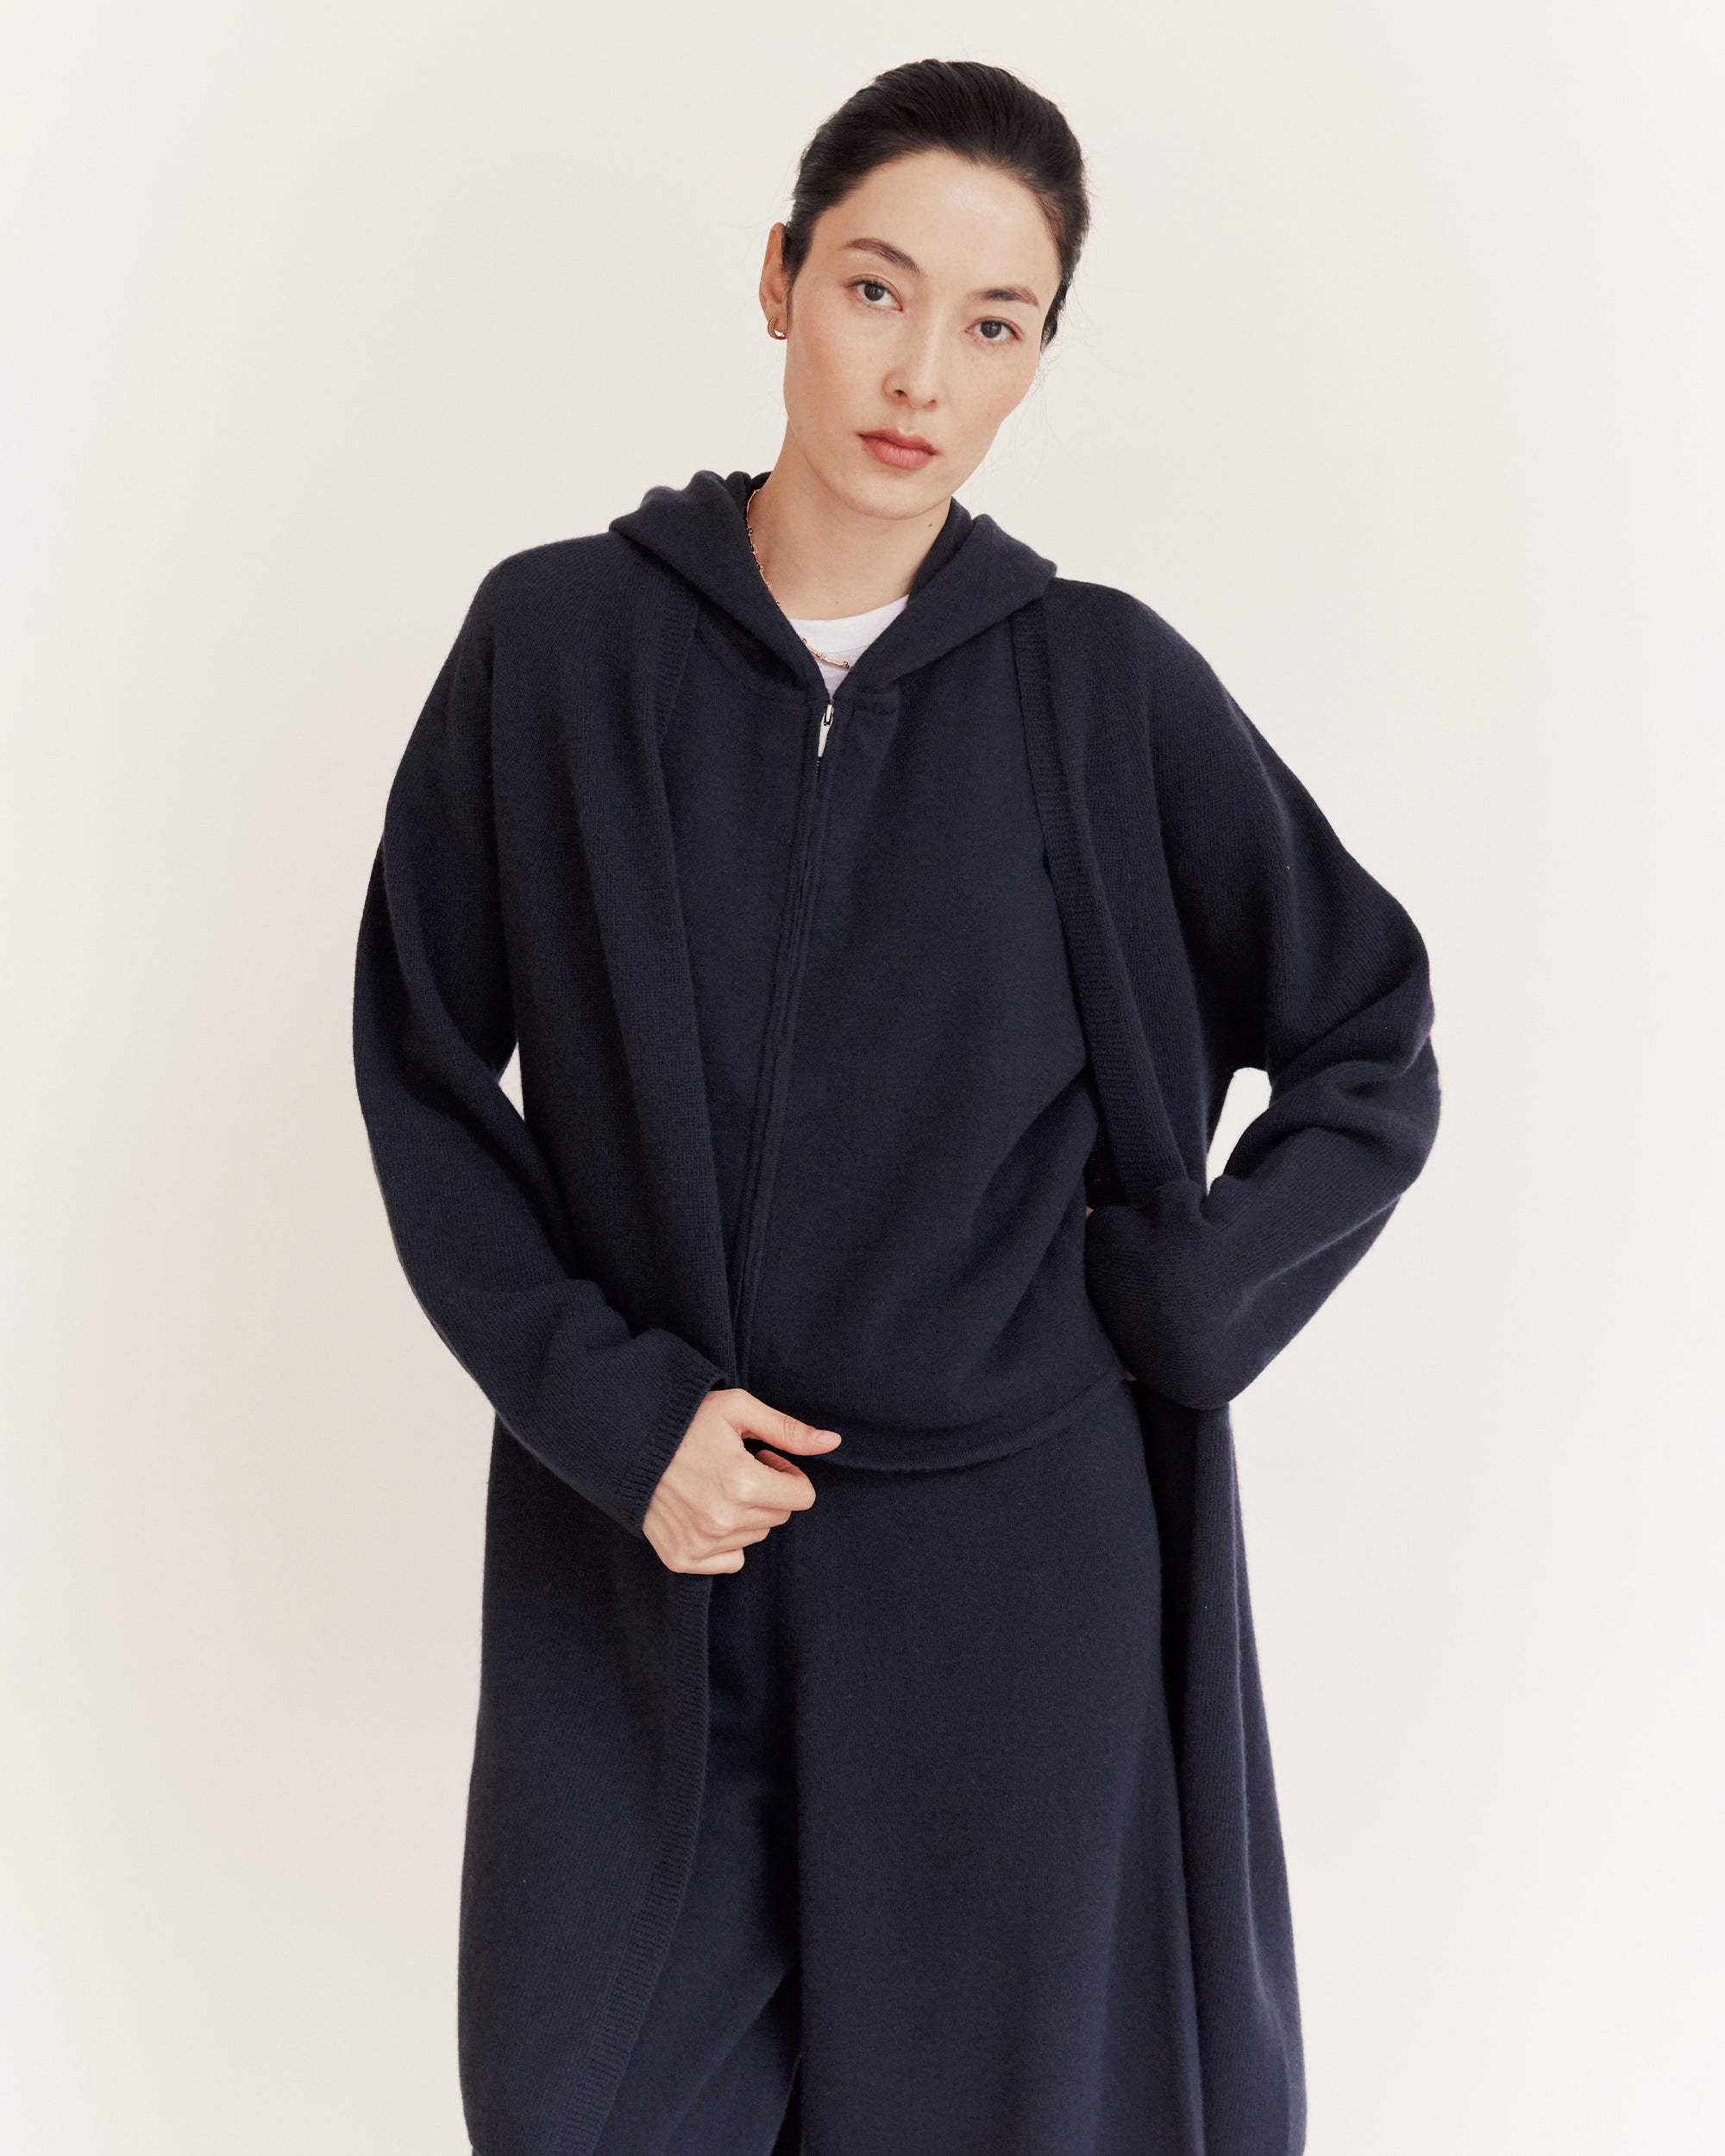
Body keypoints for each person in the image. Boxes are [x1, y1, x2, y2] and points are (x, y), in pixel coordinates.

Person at [352, 57, 1440, 2156]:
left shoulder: (1100, 684)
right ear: (775, 279)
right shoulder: (555, 648)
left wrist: (1185, 1296)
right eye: (874, 287)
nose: (922, 372)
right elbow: (420, 1060)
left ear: (1038, 357)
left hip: (1006, 1588)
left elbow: (1365, 1029)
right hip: (653, 1548)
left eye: (994, 322)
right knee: (590, 2101)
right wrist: (613, 1411)